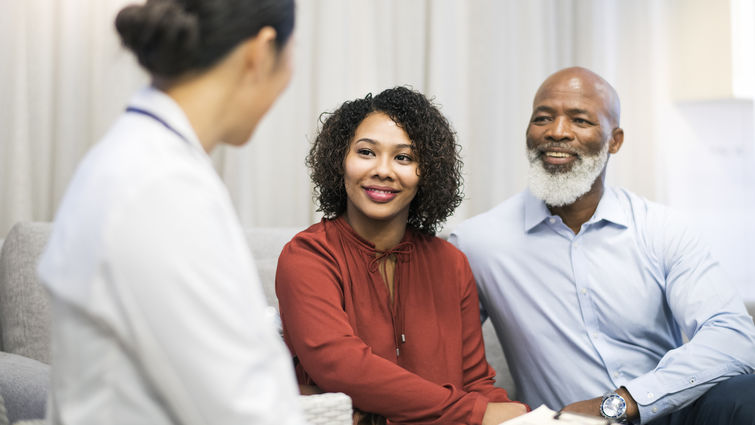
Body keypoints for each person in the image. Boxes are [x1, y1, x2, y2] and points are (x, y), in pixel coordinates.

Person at [36, 1, 306, 424]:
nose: (291, 73)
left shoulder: (139, 160)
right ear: (261, 50)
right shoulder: (158, 187)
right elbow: (243, 410)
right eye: (292, 51)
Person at [450, 66, 755, 424]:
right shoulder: (477, 243)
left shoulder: (661, 228)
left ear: (615, 140)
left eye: (580, 120)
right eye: (543, 118)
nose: (557, 132)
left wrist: (622, 402)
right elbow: (446, 351)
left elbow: (734, 336)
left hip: (671, 413)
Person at [275, 87, 528, 425]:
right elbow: (341, 367)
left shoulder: (451, 263)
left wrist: (519, 418)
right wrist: (476, 414)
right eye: (366, 152)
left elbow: (476, 383)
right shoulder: (307, 256)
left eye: (404, 157)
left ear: (428, 172)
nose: (383, 170)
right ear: (340, 161)